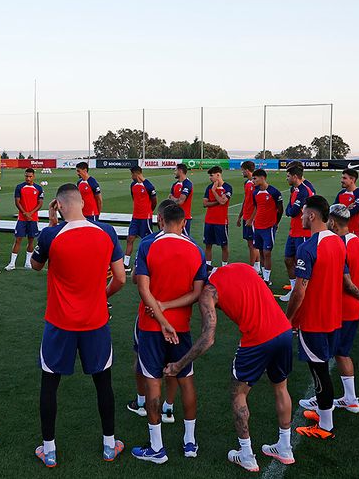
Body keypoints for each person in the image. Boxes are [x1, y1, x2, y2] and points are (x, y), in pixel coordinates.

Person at [164, 263, 295, 471]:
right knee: (280, 387)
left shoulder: (208, 292)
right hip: (284, 331)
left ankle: (246, 454)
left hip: (257, 339)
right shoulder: (241, 266)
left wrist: (179, 364)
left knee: (238, 393)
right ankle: (285, 447)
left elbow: (208, 339)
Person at [30, 184, 126, 467]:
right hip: (95, 321)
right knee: (103, 383)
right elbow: (120, 278)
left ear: (58, 206)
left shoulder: (51, 234)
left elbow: (36, 265)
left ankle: (49, 450)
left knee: (50, 383)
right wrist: (100, 295)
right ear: (83, 202)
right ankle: (110, 444)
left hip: (60, 323)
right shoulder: (106, 232)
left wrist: (50, 225)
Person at [129, 204, 206, 464]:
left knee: (153, 382)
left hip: (152, 326)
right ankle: (190, 442)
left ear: (160, 220)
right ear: (184, 222)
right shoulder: (195, 248)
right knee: (186, 380)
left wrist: (161, 317)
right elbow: (197, 293)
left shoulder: (148, 244)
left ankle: (157, 448)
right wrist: (170, 310)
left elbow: (142, 288)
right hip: (181, 327)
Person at [286, 196, 351, 440]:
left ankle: (325, 425)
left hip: (314, 320)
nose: (301, 218)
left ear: (311, 215)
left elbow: (300, 289)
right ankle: (325, 414)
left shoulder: (308, 247)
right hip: (334, 317)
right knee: (323, 367)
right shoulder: (338, 242)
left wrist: (288, 319)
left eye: (303, 213)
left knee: (319, 372)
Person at [299, 204, 359, 414]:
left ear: (331, 222)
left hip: (338, 308)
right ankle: (349, 398)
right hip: (352, 308)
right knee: (341, 353)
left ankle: (329, 405)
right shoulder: (358, 242)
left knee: (324, 360)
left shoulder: (336, 243)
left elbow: (345, 280)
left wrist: (358, 295)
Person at [126, 199, 181, 421]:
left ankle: (142, 403)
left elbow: (135, 279)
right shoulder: (191, 245)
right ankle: (168, 407)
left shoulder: (148, 243)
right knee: (175, 364)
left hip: (149, 316)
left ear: (159, 219)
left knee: (142, 361)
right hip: (179, 317)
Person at [279, 165, 313, 301]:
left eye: (288, 176)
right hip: (293, 232)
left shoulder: (305, 190)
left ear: (295, 176)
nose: (286, 178)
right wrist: (291, 210)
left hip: (303, 233)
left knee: (302, 263)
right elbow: (289, 208)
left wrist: (291, 210)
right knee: (288, 259)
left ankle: (304, 291)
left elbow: (292, 212)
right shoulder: (294, 189)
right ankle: (294, 289)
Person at [249, 169, 283, 285]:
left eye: (255, 178)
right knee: (261, 252)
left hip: (269, 227)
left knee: (267, 252)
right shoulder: (255, 193)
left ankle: (267, 278)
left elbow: (280, 209)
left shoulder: (274, 192)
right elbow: (257, 207)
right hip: (257, 226)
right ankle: (264, 276)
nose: (253, 181)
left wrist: (276, 223)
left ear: (262, 178)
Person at [7, 168, 44, 271]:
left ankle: (28, 262)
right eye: (26, 176)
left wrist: (31, 213)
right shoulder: (19, 187)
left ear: (33, 177)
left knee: (31, 240)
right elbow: (17, 202)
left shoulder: (39, 188)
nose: (28, 178)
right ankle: (12, 263)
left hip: (33, 218)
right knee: (18, 239)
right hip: (22, 218)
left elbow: (40, 203)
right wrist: (25, 213)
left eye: (30, 176)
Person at [125, 165, 157, 272]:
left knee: (147, 240)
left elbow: (154, 201)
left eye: (132, 174)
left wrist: (148, 211)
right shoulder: (133, 185)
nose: (131, 177)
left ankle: (148, 262)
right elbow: (134, 199)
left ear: (136, 174)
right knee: (130, 238)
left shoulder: (149, 186)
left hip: (145, 218)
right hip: (135, 217)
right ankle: (126, 263)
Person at [202, 166, 232, 269]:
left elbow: (223, 201)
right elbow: (205, 203)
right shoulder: (208, 187)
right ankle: (208, 266)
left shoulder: (227, 187)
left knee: (224, 245)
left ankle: (224, 266)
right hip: (209, 220)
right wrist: (217, 202)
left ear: (218, 175)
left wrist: (214, 191)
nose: (210, 178)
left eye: (211, 175)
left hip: (221, 221)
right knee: (208, 244)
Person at [237, 161, 261, 274]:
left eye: (242, 170)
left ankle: (252, 269)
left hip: (252, 219)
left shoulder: (255, 184)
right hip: (246, 217)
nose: (242, 172)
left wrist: (251, 219)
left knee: (252, 244)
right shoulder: (247, 183)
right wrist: (240, 215)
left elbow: (258, 203)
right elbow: (246, 200)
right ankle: (257, 267)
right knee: (250, 243)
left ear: (247, 170)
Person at [334, 168, 359, 236]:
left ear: (352, 179)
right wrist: (346, 208)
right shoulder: (341, 193)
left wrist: (341, 210)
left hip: (352, 232)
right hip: (338, 231)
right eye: (342, 178)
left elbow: (351, 212)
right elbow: (333, 210)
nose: (341, 180)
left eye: (344, 178)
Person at [168, 163, 194, 235]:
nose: (174, 172)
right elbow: (170, 200)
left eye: (175, 170)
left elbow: (180, 201)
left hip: (184, 218)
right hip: (174, 217)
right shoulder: (175, 184)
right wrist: (174, 199)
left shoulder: (187, 184)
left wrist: (172, 198)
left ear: (180, 171)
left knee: (184, 240)